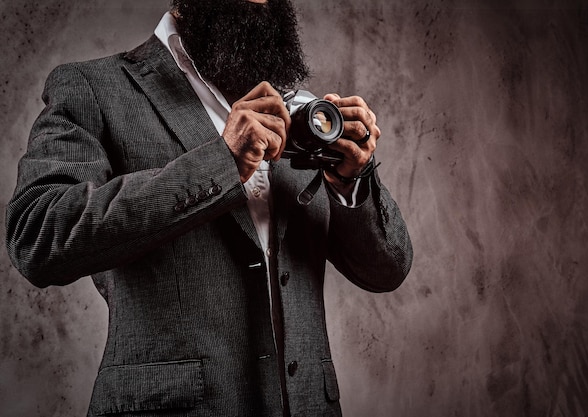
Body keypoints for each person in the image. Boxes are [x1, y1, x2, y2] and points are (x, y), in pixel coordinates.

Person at [5, 0, 413, 415]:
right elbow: (38, 235)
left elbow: (387, 269)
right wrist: (221, 162)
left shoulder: (302, 114)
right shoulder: (94, 87)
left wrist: (351, 178)